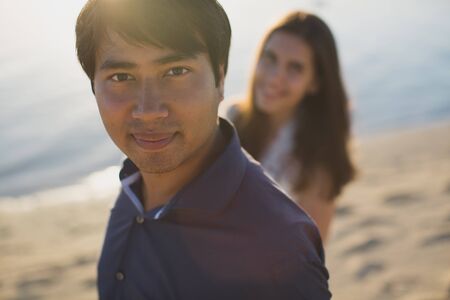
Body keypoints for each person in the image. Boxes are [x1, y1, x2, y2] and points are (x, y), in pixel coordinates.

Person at [75, 0, 331, 299]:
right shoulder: (133, 187)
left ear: (220, 80)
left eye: (175, 71)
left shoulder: (278, 246)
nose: (148, 110)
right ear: (94, 87)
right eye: (121, 77)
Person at [227, 11, 356, 242]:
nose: (275, 77)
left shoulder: (317, 163)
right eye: (270, 58)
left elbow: (308, 257)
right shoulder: (232, 119)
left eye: (294, 68)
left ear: (315, 82)